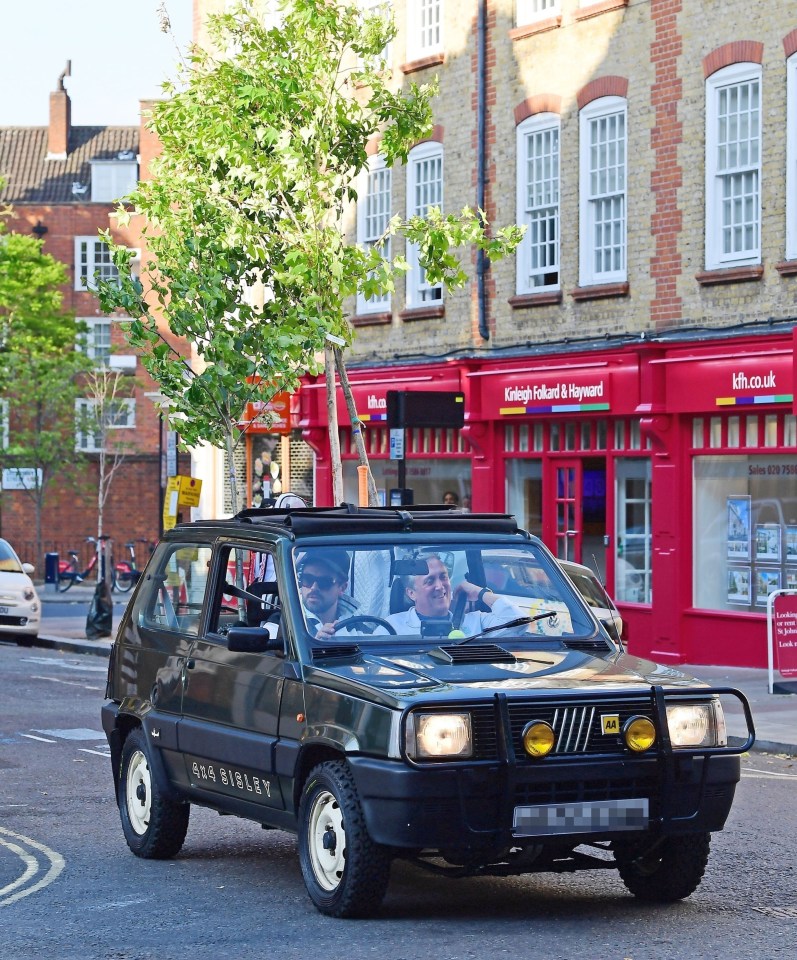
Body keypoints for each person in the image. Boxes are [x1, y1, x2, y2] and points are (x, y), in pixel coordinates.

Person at [387, 555, 524, 636]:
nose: (440, 586)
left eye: (443, 577)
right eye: (430, 581)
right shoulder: (391, 628)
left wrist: (480, 592)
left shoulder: (475, 621)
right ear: (411, 593)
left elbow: (519, 622)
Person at [297, 548, 358, 640]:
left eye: (324, 582)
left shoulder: (360, 628)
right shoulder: (283, 622)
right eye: (307, 579)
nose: (314, 587)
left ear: (342, 588)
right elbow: (272, 653)